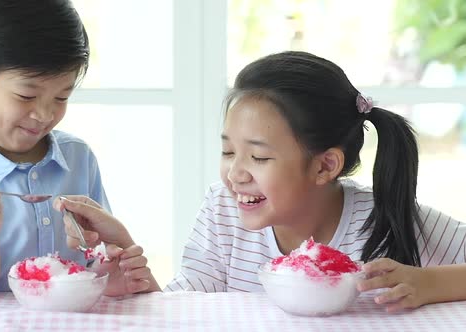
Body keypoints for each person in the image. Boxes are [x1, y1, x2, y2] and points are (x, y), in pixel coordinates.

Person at [60, 51, 466, 312]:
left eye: (258, 157)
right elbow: (184, 306)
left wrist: (429, 282)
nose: (236, 173)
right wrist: (134, 280)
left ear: (324, 166)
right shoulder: (223, 212)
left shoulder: (381, 217)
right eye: (227, 152)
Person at [0, 0, 151, 300]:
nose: (44, 114)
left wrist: (113, 271)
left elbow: (96, 258)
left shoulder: (78, 158)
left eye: (61, 97)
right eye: (26, 95)